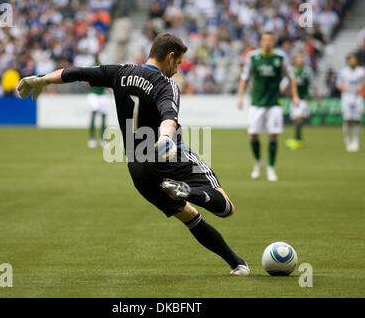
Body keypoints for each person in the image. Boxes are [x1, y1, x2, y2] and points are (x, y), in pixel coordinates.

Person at [17, 32, 250, 276]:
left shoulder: (122, 72)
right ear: (170, 57)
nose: (178, 69)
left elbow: (77, 72)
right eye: (179, 63)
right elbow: (169, 116)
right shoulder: (165, 83)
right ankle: (190, 191)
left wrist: (43, 79)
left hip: (138, 169)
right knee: (225, 207)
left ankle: (237, 264)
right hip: (167, 158)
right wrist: (165, 138)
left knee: (189, 216)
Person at [237, 32, 300, 182]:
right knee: (253, 134)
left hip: (274, 104)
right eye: (264, 40)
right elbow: (245, 78)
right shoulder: (253, 57)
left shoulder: (280, 58)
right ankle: (258, 162)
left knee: (273, 135)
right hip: (257, 103)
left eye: (270, 40)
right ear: (260, 42)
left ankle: (271, 167)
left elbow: (291, 76)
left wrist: (295, 95)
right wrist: (240, 96)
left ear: (273, 42)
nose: (267, 43)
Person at [281, 53, 321, 150]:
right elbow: (282, 86)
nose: (300, 61)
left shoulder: (308, 72)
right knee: (295, 119)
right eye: (298, 59)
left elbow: (314, 85)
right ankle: (298, 138)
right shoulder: (291, 72)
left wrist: (317, 97)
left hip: (304, 99)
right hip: (294, 100)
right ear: (294, 61)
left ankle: (297, 140)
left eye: (301, 59)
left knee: (298, 118)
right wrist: (287, 92)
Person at [336, 53, 365, 152]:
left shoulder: (361, 71)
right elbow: (338, 84)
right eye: (350, 59)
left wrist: (362, 89)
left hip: (358, 97)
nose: (352, 61)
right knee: (347, 119)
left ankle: (356, 140)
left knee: (357, 119)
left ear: (356, 60)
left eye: (354, 59)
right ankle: (347, 140)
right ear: (348, 61)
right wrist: (342, 88)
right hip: (347, 97)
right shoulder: (343, 72)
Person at [87, 54, 110, 148]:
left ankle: (102, 139)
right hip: (93, 94)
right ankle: (92, 138)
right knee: (94, 114)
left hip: (102, 95)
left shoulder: (102, 67)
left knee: (104, 116)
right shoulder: (92, 67)